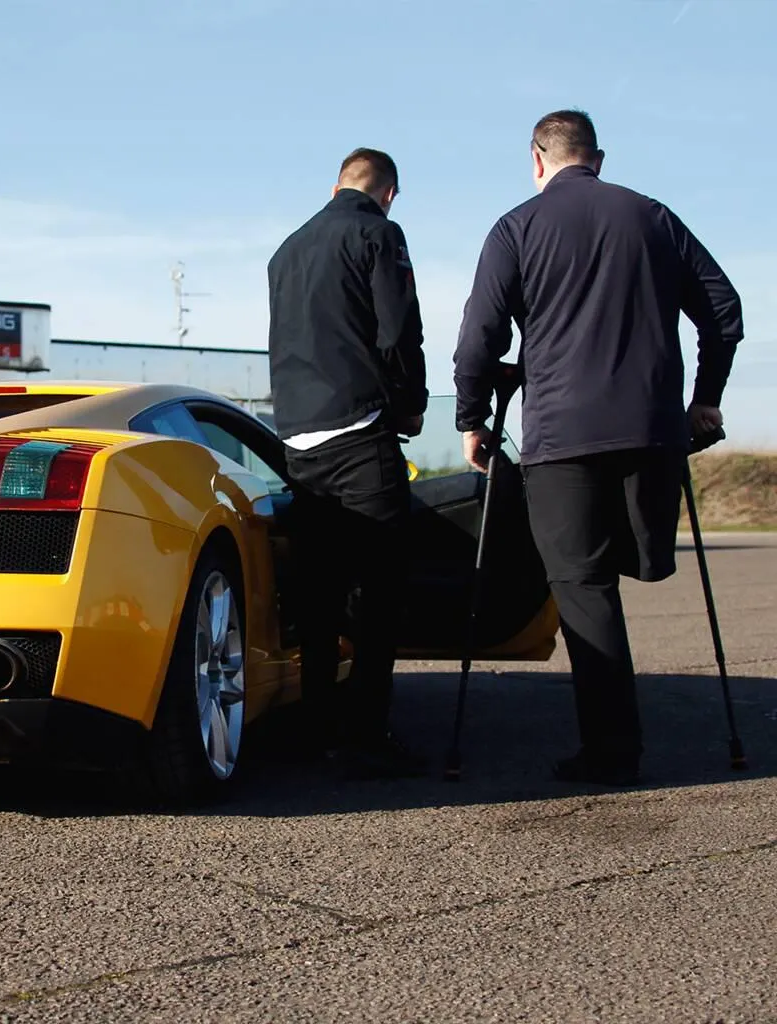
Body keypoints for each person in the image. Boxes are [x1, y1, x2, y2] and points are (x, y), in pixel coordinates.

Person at [453, 109, 743, 786]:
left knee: (584, 588)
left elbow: (478, 339)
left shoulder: (517, 227)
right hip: (653, 434)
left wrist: (473, 418)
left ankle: (613, 751)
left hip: (562, 440)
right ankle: (621, 737)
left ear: (536, 159)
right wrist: (705, 399)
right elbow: (723, 311)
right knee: (625, 568)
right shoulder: (653, 216)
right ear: (598, 158)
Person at [267, 147, 428, 778]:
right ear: (388, 193)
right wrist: (410, 405)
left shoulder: (285, 251)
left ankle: (316, 730)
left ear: (336, 186)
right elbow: (398, 330)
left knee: (320, 595)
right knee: (381, 593)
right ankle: (366, 734)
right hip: (361, 433)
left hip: (298, 440)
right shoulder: (378, 233)